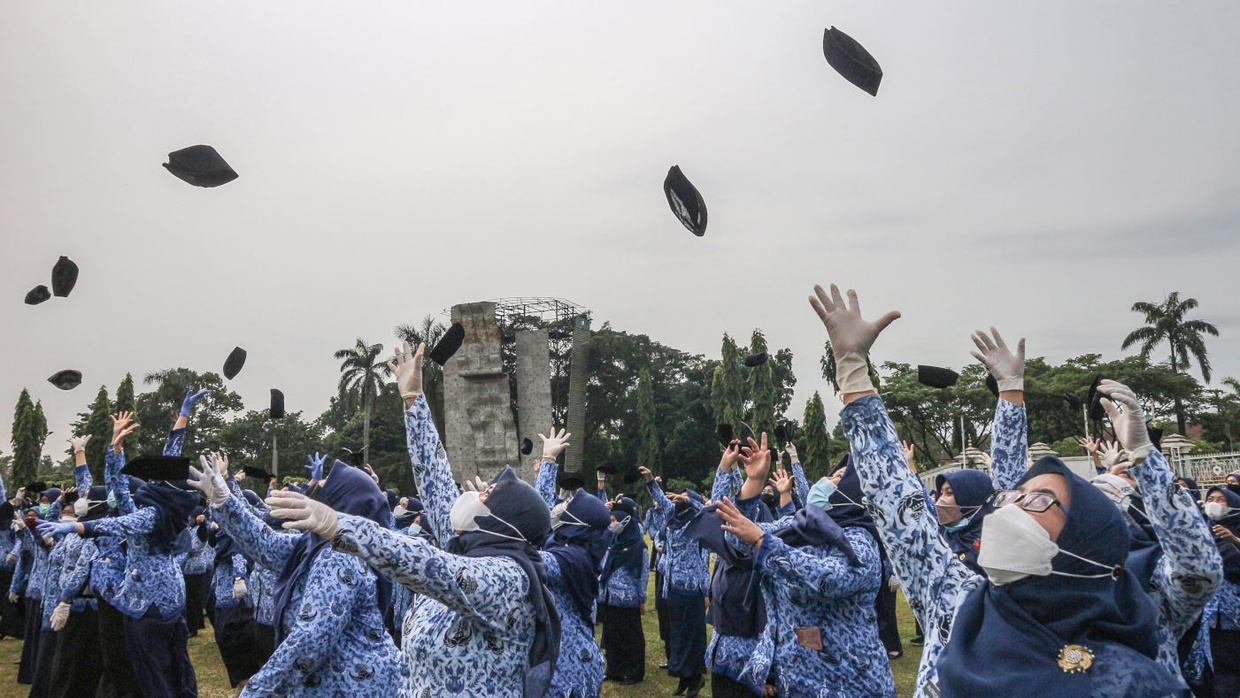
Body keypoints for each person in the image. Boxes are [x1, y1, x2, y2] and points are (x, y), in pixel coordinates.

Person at [809, 283, 1210, 696]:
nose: (1011, 504)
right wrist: (853, 369)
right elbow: (898, 503)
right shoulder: (958, 602)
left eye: (1039, 500)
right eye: (1011, 499)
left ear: (1085, 540)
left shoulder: (1140, 629)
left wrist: (1144, 456)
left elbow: (1198, 569)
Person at [261, 341, 559, 697]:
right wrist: (414, 402)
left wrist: (341, 525)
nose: (474, 495)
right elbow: (435, 482)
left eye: (487, 494)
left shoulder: (510, 579)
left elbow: (429, 565)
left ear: (506, 521)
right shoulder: (467, 550)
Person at [190, 452, 405, 696]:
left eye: (325, 490)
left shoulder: (341, 558)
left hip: (355, 687)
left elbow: (309, 641)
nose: (315, 495)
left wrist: (256, 691)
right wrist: (224, 499)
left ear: (342, 503)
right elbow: (267, 545)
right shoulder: (316, 543)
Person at [39, 404, 202, 698]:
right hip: (168, 597)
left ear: (161, 487)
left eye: (154, 478)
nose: (149, 479)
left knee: (151, 671)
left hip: (149, 602)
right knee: (170, 664)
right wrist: (116, 447)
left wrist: (74, 528)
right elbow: (120, 488)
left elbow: (116, 522)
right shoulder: (167, 505)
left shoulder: (151, 516)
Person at [534, 429, 614, 698]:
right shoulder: (580, 549)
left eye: (568, 505)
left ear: (578, 522)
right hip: (577, 661)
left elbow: (526, 552)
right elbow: (542, 521)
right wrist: (547, 462)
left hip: (564, 675)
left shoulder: (565, 561)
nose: (561, 506)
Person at [641, 465, 710, 697]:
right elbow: (661, 499)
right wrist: (651, 481)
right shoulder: (673, 516)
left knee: (692, 635)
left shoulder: (697, 521)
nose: (680, 500)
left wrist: (691, 501)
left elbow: (709, 511)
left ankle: (696, 678)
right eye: (680, 498)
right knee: (677, 635)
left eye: (685, 499)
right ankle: (683, 676)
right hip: (671, 586)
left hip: (691, 588)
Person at [1186, 485, 1240, 697]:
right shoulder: (1199, 531)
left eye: (1221, 499)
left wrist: (1234, 541)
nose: (1215, 503)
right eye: (1211, 498)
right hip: (1207, 616)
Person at [598, 493, 648, 686]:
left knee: (630, 636)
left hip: (627, 598)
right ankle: (614, 670)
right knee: (611, 636)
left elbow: (642, 575)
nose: (612, 524)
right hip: (609, 597)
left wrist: (641, 598)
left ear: (625, 521)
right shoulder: (612, 541)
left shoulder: (637, 545)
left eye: (614, 521)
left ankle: (634, 672)